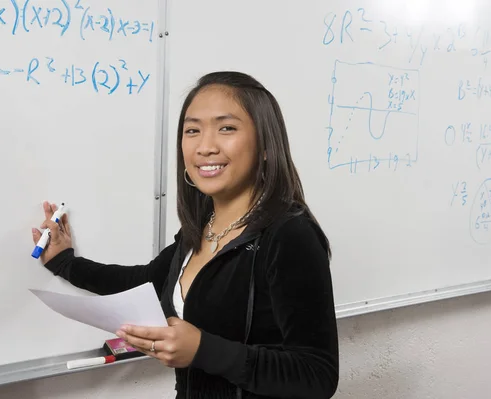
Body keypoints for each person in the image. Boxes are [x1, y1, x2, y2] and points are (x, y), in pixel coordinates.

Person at [31, 71, 339, 398]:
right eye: (192, 130)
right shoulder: (201, 227)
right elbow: (146, 281)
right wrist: (64, 262)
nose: (205, 147)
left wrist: (202, 349)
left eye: (227, 128)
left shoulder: (290, 236)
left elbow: (317, 374)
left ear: (265, 145)